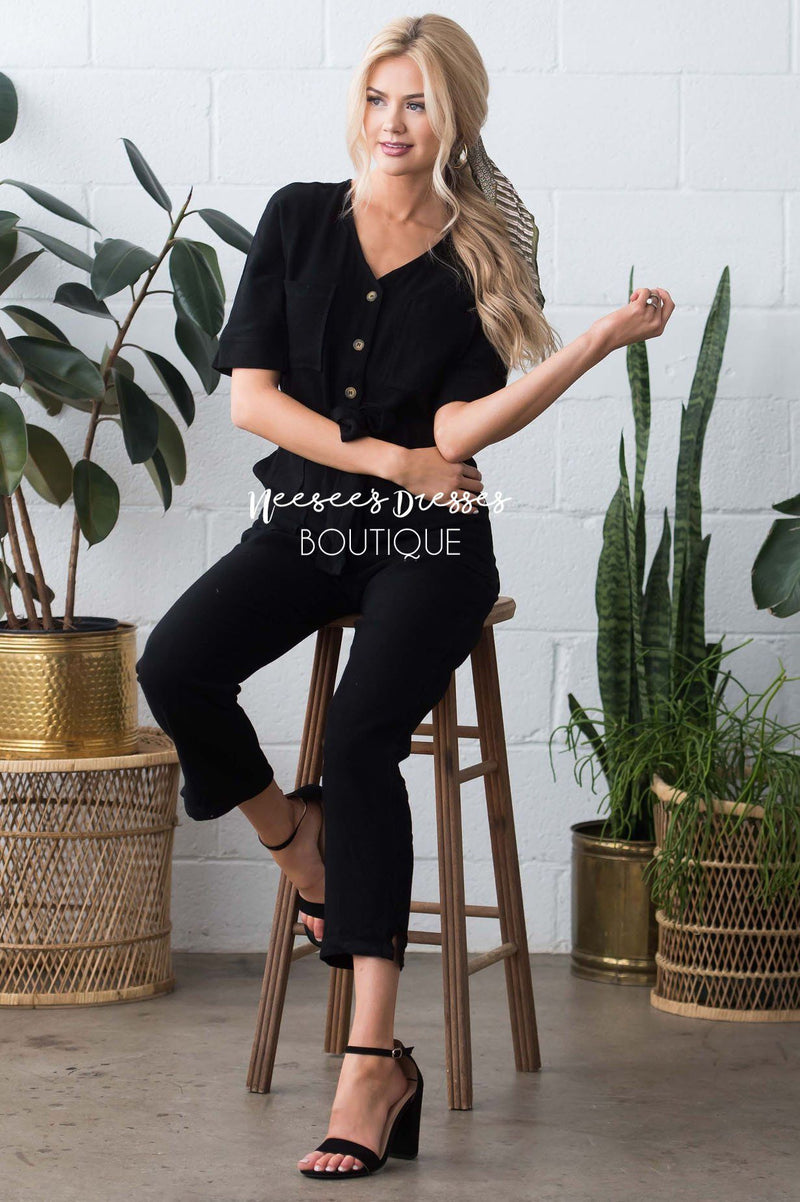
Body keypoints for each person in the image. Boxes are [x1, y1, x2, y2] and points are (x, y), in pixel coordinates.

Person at [135, 13, 674, 1182]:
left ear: (454, 117)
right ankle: (302, 849)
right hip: (314, 516)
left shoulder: (478, 250)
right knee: (173, 665)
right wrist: (386, 460)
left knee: (363, 733)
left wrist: (588, 345)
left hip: (433, 543)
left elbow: (456, 431)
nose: (392, 122)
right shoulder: (296, 217)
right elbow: (252, 403)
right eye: (378, 98)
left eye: (417, 102)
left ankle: (370, 1062)